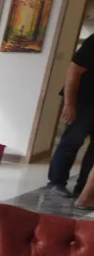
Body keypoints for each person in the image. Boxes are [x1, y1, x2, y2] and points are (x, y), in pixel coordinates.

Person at [48, 33, 94, 197]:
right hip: (84, 101)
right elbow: (74, 70)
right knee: (72, 141)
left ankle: (84, 188)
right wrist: (69, 104)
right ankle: (56, 182)